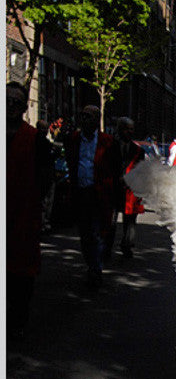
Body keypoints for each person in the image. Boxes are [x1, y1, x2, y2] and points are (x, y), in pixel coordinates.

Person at [6, 82, 53, 338]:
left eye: (16, 102)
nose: (11, 106)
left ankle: (16, 319)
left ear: (25, 107)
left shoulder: (35, 140)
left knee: (20, 274)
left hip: (23, 218)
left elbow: (45, 179)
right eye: (7, 101)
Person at [64, 104, 121, 288]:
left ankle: (95, 269)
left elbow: (116, 170)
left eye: (89, 116)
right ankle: (91, 264)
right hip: (81, 193)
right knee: (84, 234)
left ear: (97, 121)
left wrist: (114, 198)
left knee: (96, 233)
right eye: (83, 115)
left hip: (99, 195)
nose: (85, 120)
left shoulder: (108, 142)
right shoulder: (73, 139)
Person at [110, 116, 145, 259]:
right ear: (120, 130)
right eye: (126, 129)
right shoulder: (111, 146)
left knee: (130, 220)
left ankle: (127, 245)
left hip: (130, 190)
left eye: (131, 129)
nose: (129, 132)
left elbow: (141, 170)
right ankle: (107, 245)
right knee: (111, 220)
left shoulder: (138, 151)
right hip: (113, 188)